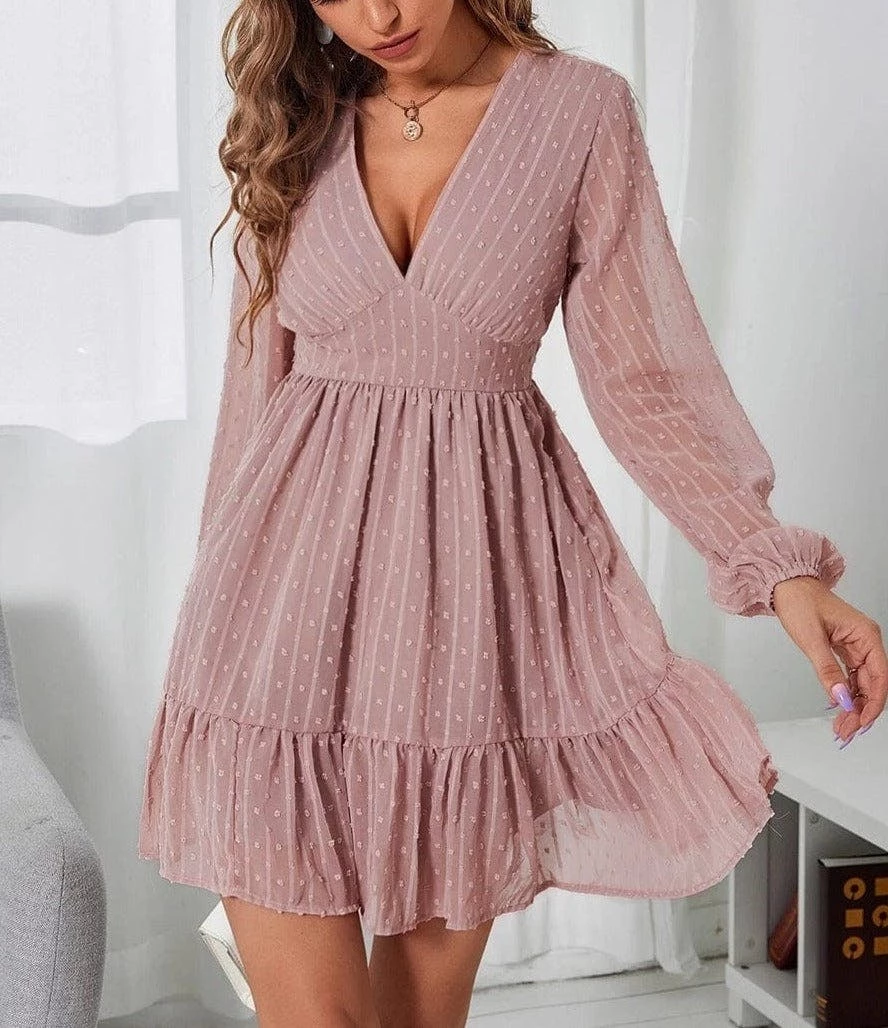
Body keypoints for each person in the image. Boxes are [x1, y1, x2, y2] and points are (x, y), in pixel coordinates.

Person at [138, 1, 887, 1025]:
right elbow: (252, 389)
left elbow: (645, 380)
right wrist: (214, 598)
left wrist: (780, 569)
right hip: (274, 621)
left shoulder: (579, 113)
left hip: (461, 632)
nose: (379, 14)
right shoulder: (295, 115)